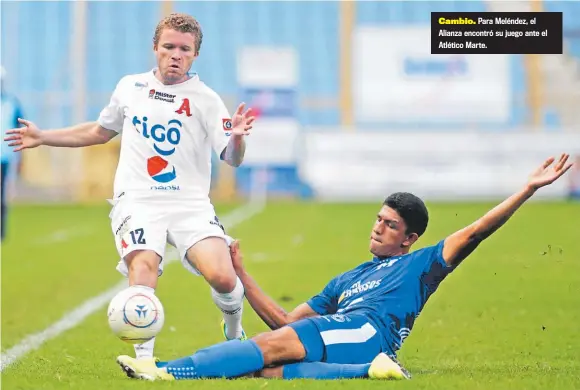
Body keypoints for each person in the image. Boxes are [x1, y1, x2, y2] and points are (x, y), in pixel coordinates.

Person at [115, 154, 573, 381]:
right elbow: (284, 323)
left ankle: (168, 371)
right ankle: (367, 372)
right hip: (346, 334)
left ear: (409, 238)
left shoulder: (423, 264)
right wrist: (241, 274)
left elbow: (474, 232)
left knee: (266, 349)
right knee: (261, 367)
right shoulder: (348, 279)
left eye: (390, 226)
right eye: (378, 219)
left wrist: (528, 188)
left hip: (367, 332)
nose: (378, 229)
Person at [3, 14, 254, 363]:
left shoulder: (206, 99)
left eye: (184, 49)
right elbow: (99, 131)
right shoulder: (130, 87)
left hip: (189, 204)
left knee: (223, 278)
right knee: (143, 266)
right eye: (168, 47)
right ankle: (145, 360)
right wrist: (43, 136)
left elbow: (232, 157)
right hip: (138, 200)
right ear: (155, 47)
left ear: (195, 54)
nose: (175, 55)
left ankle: (234, 330)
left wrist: (238, 139)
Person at [0, 66, 25, 242]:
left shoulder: (11, 102)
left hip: (4, 156)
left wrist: (21, 157)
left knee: (1, 195)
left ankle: (1, 232)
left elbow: (21, 130)